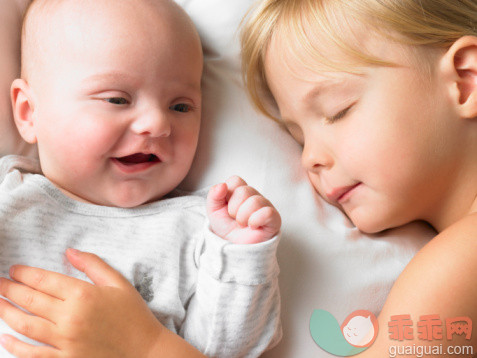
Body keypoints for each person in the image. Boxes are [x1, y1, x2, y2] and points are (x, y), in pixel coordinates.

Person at [0, 0, 282, 357]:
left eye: (180, 106)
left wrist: (243, 256)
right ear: (28, 113)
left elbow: (230, 349)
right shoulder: (9, 196)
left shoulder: (199, 232)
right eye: (117, 100)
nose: (158, 124)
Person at [240, 0, 476, 356]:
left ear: (465, 80)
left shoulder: (461, 262)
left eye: (338, 111)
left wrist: (148, 345)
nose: (309, 158)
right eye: (299, 138)